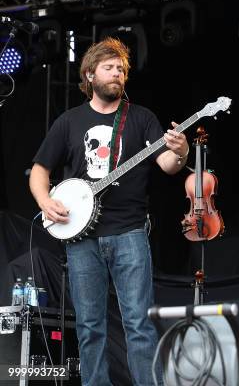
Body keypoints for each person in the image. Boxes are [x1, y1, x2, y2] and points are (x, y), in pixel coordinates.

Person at [29, 38, 189, 386]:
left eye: (121, 69)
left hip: (129, 232)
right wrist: (45, 201)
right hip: (81, 238)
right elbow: (40, 170)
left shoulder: (142, 118)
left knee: (139, 324)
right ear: (90, 74)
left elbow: (168, 164)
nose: (117, 74)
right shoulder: (68, 122)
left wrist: (181, 151)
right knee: (89, 326)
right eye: (109, 68)